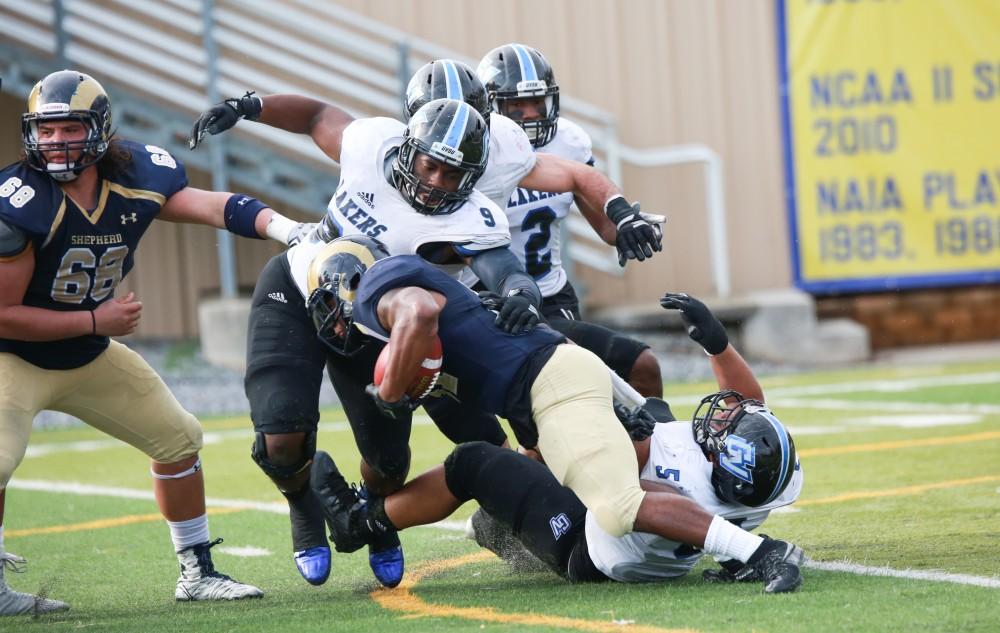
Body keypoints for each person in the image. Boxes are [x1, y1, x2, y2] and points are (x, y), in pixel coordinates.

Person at [305, 236, 806, 594]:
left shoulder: (691, 486)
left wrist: (756, 553)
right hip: (606, 458)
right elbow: (746, 414)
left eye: (721, 435)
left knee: (478, 464)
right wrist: (716, 346)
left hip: (591, 543)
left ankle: (360, 524)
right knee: (627, 433)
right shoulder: (754, 484)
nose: (717, 422)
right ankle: (404, 520)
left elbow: (622, 501)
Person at [191, 98, 537, 589]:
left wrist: (521, 293)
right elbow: (315, 116)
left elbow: (502, 268)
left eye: (453, 174)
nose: (438, 181)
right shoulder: (371, 145)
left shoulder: (469, 219)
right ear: (408, 150)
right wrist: (252, 106)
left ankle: (376, 520)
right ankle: (302, 506)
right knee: (281, 439)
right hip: (298, 290)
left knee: (389, 464)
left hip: (373, 328)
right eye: (430, 164)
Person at [0, 70, 309, 614]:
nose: (54, 142)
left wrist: (287, 229)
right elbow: (4, 316)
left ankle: (196, 572)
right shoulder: (21, 201)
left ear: (98, 130)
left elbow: (216, 207)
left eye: (68, 128)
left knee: (178, 439)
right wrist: (96, 321)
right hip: (16, 357)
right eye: (44, 131)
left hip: (87, 355)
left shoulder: (138, 175)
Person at [473, 45, 665, 398]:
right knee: (559, 401)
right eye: (517, 108)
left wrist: (629, 226)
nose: (531, 116)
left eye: (538, 104)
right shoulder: (479, 150)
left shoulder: (568, 141)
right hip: (495, 298)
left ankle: (656, 451)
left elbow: (605, 226)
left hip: (552, 292)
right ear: (491, 108)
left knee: (613, 384)